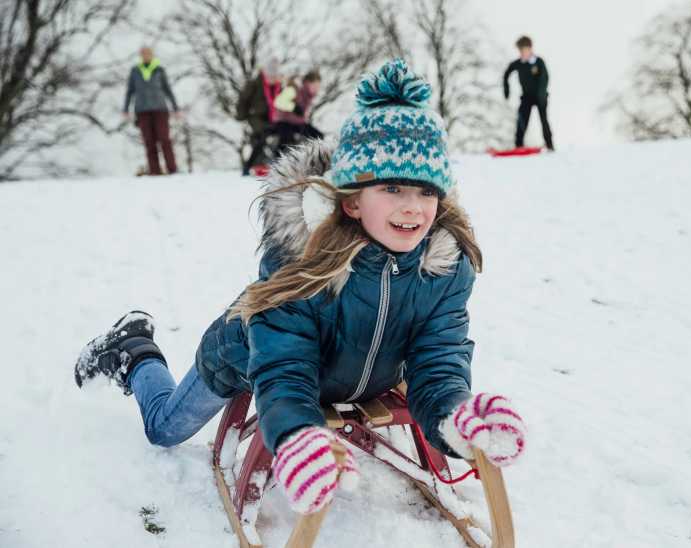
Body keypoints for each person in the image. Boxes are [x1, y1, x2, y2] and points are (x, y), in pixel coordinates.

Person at [74, 59, 527, 515]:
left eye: (427, 192)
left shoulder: (443, 268)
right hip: (246, 354)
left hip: (351, 376)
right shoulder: (303, 260)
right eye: (393, 189)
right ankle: (135, 349)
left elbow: (438, 357)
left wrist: (455, 415)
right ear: (351, 201)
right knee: (164, 429)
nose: (414, 208)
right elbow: (284, 368)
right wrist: (295, 434)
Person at [123, 46, 180, 175]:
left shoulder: (159, 70)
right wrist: (125, 109)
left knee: (164, 139)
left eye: (148, 53)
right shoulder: (135, 71)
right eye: (143, 53)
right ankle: (154, 171)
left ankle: (172, 169)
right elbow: (130, 91)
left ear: (152, 55)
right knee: (149, 141)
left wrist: (175, 108)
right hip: (142, 110)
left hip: (160, 109)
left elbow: (167, 90)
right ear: (140, 55)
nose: (146, 55)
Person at [503, 36, 554, 151]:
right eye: (520, 50)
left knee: (543, 120)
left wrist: (541, 94)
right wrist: (506, 89)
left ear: (530, 49)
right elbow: (506, 74)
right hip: (526, 96)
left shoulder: (538, 62)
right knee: (521, 119)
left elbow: (544, 78)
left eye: (524, 50)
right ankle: (518, 145)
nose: (522, 53)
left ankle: (550, 145)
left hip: (540, 96)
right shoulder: (518, 64)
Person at [236, 58, 283, 176]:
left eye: (275, 76)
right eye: (271, 76)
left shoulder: (278, 86)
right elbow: (243, 100)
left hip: (273, 117)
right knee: (262, 136)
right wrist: (242, 116)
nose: (272, 79)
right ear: (265, 73)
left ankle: (278, 165)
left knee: (281, 135)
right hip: (256, 116)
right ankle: (251, 165)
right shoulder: (254, 83)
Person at [270, 70, 324, 156]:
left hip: (297, 123)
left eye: (318, 86)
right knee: (286, 140)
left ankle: (315, 158)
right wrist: (294, 107)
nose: (317, 88)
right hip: (284, 121)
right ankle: (274, 161)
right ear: (308, 82)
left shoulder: (308, 95)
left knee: (318, 136)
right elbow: (278, 102)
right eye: (315, 85)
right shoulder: (295, 89)